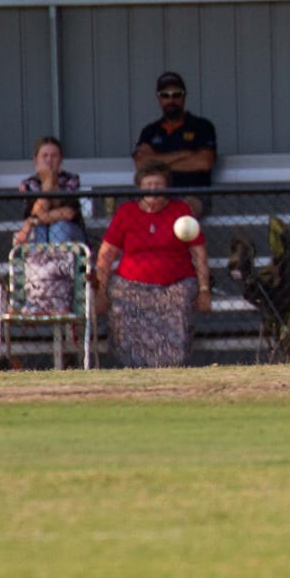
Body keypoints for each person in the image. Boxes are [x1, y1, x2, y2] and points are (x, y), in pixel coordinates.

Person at [95, 159, 211, 367]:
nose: (153, 190)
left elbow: (199, 252)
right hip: (130, 285)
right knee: (120, 305)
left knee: (180, 302)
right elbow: (106, 254)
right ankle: (130, 367)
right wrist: (101, 291)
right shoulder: (126, 212)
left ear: (166, 188)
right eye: (148, 185)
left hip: (175, 285)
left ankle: (170, 367)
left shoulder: (180, 210)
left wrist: (204, 289)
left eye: (158, 185)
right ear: (139, 188)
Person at [134, 71, 218, 215]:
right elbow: (141, 164)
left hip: (193, 193)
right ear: (159, 99)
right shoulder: (149, 131)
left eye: (176, 94)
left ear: (184, 96)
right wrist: (185, 154)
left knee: (183, 212)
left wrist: (157, 161)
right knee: (133, 212)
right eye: (165, 95)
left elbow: (204, 162)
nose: (171, 100)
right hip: (156, 192)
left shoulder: (202, 126)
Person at [16, 135, 86, 247]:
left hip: (71, 232)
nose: (49, 160)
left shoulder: (71, 179)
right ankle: (44, 263)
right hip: (40, 231)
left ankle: (58, 264)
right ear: (35, 160)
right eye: (44, 156)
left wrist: (31, 221)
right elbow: (36, 212)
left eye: (54, 156)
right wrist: (48, 184)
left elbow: (68, 213)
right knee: (40, 229)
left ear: (61, 159)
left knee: (60, 227)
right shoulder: (28, 184)